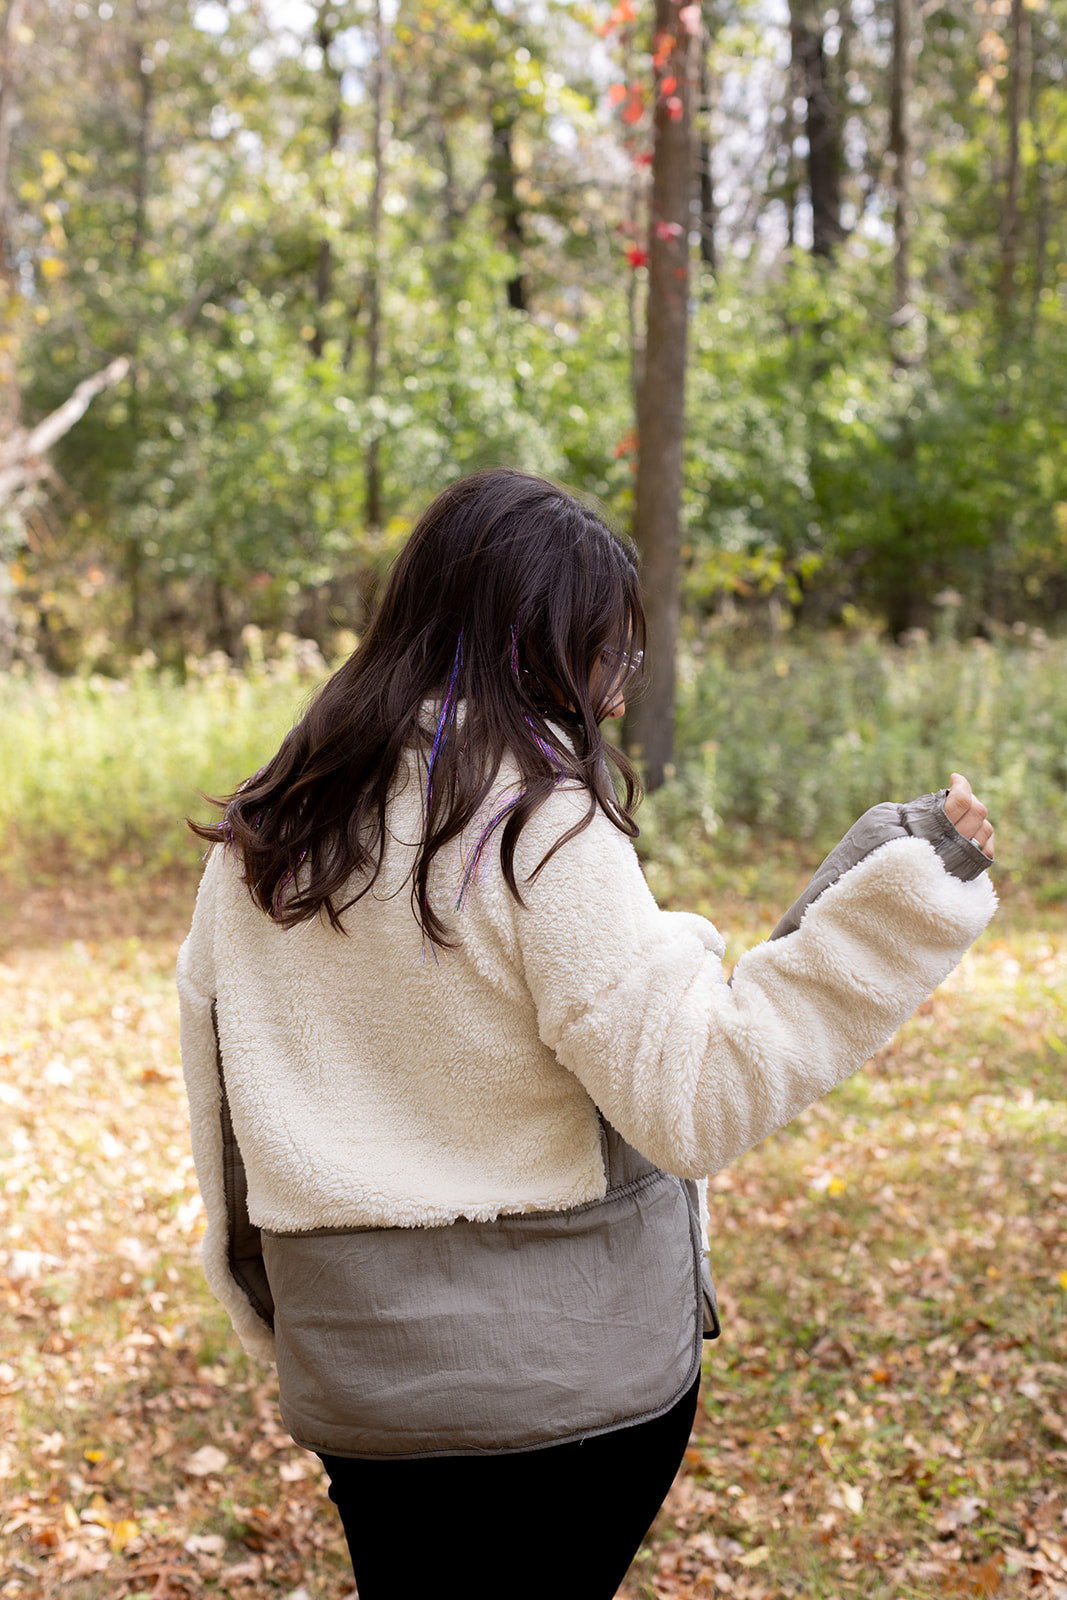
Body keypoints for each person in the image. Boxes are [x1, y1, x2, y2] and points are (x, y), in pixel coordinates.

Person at [177, 467, 997, 1600]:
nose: (610, 698)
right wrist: (902, 907)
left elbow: (227, 1113)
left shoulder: (268, 829)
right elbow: (694, 1098)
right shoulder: (530, 823)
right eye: (602, 659)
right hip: (558, 1387)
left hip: (361, 1379)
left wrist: (285, 1325)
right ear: (535, 651)